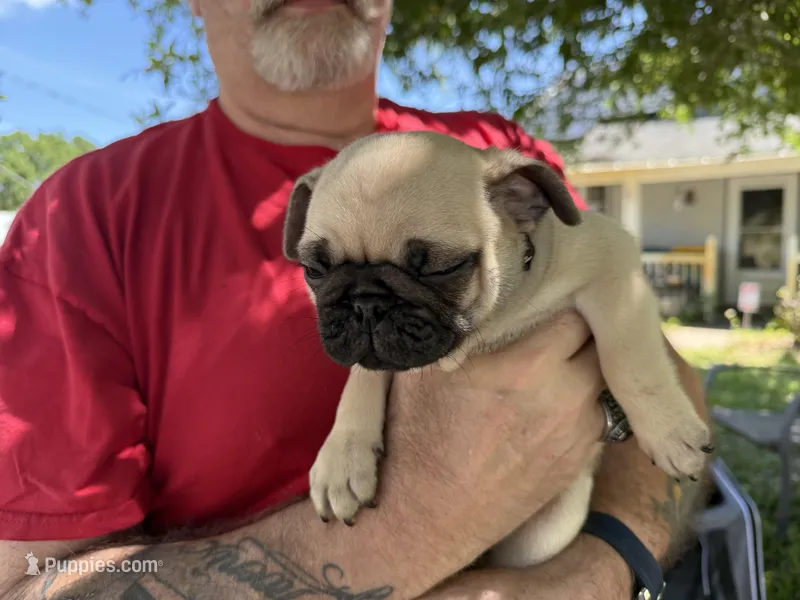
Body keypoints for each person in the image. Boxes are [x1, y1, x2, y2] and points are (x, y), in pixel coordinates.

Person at [0, 1, 710, 598]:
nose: (367, 309)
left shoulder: (498, 155)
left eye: (436, 267)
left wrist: (600, 569)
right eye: (322, 272)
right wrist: (415, 520)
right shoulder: (84, 218)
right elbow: (30, 579)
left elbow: (650, 367)